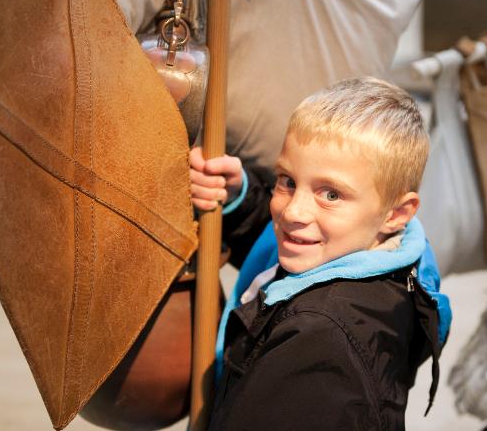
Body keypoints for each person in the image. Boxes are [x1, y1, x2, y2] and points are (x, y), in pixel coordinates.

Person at [189, 76, 452, 430]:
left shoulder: (316, 342)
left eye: (331, 195)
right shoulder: (394, 252)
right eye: (288, 181)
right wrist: (238, 198)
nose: (292, 212)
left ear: (396, 213)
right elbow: (278, 249)